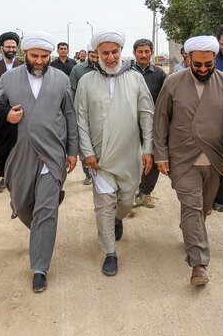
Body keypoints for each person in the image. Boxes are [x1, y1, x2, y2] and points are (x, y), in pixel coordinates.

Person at [153, 35, 223, 286]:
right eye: (198, 64)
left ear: (214, 58)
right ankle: (198, 264)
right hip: (182, 159)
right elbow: (161, 119)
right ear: (188, 59)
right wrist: (160, 154)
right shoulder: (173, 83)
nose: (204, 69)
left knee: (202, 209)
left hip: (214, 160)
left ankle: (191, 231)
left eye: (209, 64)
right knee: (192, 206)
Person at [0, 31, 78, 293]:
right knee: (22, 205)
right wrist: (6, 115)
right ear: (24, 54)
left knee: (46, 210)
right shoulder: (8, 78)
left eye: (44, 56)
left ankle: (40, 267)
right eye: (34, 56)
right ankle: (40, 226)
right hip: (21, 154)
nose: (39, 61)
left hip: (52, 154)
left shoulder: (61, 79)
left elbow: (70, 116)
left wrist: (72, 150)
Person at [75, 29, 154, 277]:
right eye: (105, 53)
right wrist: (87, 153)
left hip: (130, 155)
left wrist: (148, 149)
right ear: (96, 54)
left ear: (121, 52)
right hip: (100, 159)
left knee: (127, 201)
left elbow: (146, 115)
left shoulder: (135, 78)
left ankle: (118, 218)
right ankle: (110, 253)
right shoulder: (86, 81)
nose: (110, 57)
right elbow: (81, 120)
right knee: (103, 205)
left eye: (114, 52)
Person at [131, 38, 166, 208]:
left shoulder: (159, 74)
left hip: (153, 124)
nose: (143, 55)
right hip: (130, 123)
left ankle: (146, 193)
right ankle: (129, 196)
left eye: (146, 52)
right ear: (134, 53)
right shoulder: (127, 72)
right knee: (132, 160)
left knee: (152, 158)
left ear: (151, 53)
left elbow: (165, 99)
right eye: (140, 52)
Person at [0, 32, 23, 190]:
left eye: (14, 47)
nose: (11, 49)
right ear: (2, 48)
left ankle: (20, 175)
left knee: (20, 144)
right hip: (2, 112)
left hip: (21, 110)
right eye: (8, 47)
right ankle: (4, 176)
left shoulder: (23, 64)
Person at [69, 44, 99, 186]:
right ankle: (87, 174)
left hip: (99, 112)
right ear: (88, 54)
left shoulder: (105, 69)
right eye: (93, 56)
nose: (96, 59)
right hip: (82, 111)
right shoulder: (78, 70)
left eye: (98, 56)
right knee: (84, 141)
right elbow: (73, 91)